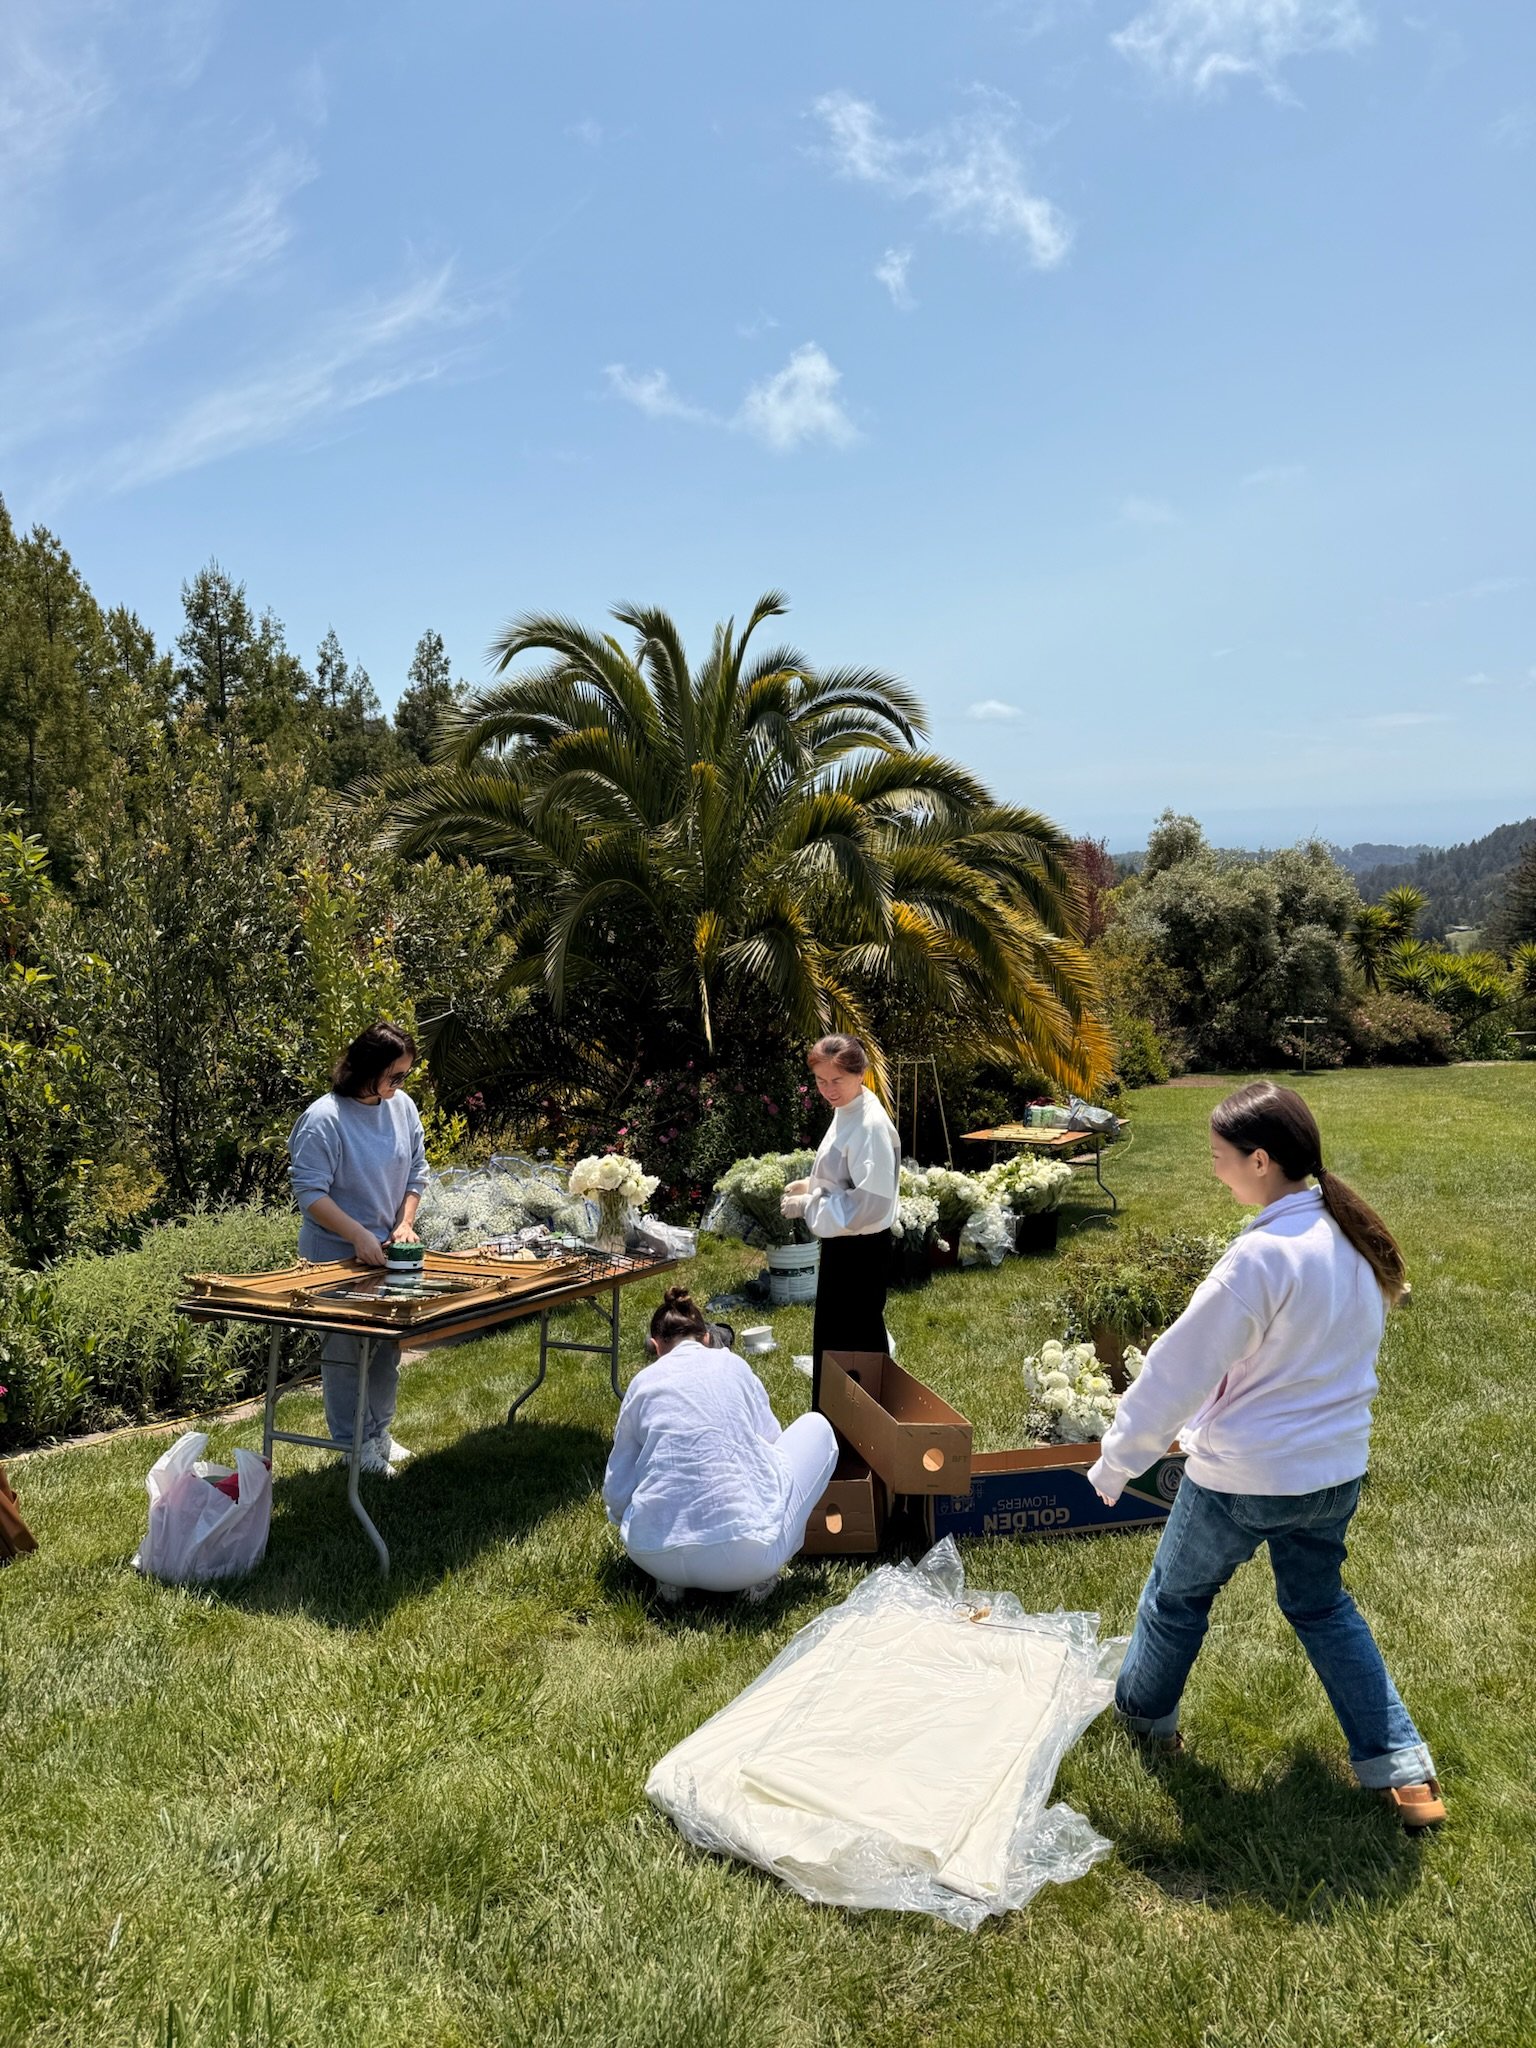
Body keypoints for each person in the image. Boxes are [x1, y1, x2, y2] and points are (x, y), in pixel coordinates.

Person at [1087, 1081, 1443, 1830]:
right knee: (1320, 1605)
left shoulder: (1260, 1258)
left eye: (1218, 1158)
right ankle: (1404, 1769)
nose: (1212, 1170)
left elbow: (1176, 1372)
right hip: (1335, 1472)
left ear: (1259, 1161)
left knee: (1176, 1597)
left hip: (1246, 1476)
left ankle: (1142, 1719)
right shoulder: (1354, 1238)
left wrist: (1117, 1460)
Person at [603, 1286, 839, 1603]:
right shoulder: (733, 1366)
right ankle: (761, 1578)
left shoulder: (641, 1384)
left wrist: (644, 1521)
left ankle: (671, 1579)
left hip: (652, 1554)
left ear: (657, 1347)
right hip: (744, 1560)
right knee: (818, 1427)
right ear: (706, 1338)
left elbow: (617, 1487)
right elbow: (773, 1443)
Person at [287, 1021, 430, 1477]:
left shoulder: (402, 1107)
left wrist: (405, 1224)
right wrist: (357, 1234)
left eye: (404, 1076)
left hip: (385, 1253)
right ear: (365, 1070)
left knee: (385, 1349)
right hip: (333, 1257)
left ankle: (379, 1435)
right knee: (348, 1354)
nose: (400, 1084)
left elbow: (417, 1173)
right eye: (394, 1075)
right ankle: (354, 1447)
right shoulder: (323, 1119)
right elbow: (310, 1193)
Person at [780, 1034, 901, 1414]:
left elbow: (869, 1205)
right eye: (820, 1081)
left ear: (860, 1073)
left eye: (837, 1080)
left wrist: (808, 1205)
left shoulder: (869, 1124)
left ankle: (864, 1428)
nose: (828, 1090)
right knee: (837, 1344)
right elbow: (847, 1176)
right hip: (846, 1246)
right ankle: (841, 1425)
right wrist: (814, 1185)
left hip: (860, 1250)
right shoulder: (849, 1109)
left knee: (855, 1345)